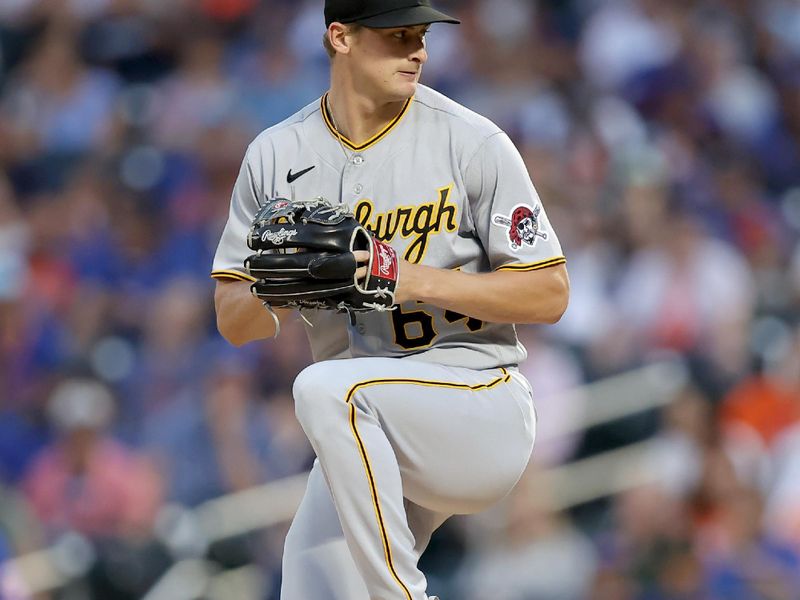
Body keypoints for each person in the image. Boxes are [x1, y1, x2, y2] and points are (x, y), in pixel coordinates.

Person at [211, 1, 570, 598]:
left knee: (322, 388)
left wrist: (410, 277)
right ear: (341, 37)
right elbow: (233, 321)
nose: (419, 50)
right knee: (308, 580)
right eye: (399, 34)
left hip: (478, 401)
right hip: (370, 436)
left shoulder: (472, 141)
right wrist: (276, 285)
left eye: (422, 35)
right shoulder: (275, 155)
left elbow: (550, 293)